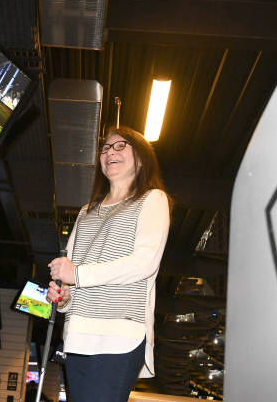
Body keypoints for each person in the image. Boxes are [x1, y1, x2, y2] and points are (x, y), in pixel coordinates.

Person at [46, 125, 171, 402]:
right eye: (105, 148)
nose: (109, 152)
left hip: (120, 332)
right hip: (78, 333)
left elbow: (144, 262)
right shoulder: (85, 212)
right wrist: (64, 295)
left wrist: (77, 274)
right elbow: (73, 272)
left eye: (120, 146)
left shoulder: (152, 199)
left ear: (141, 158)